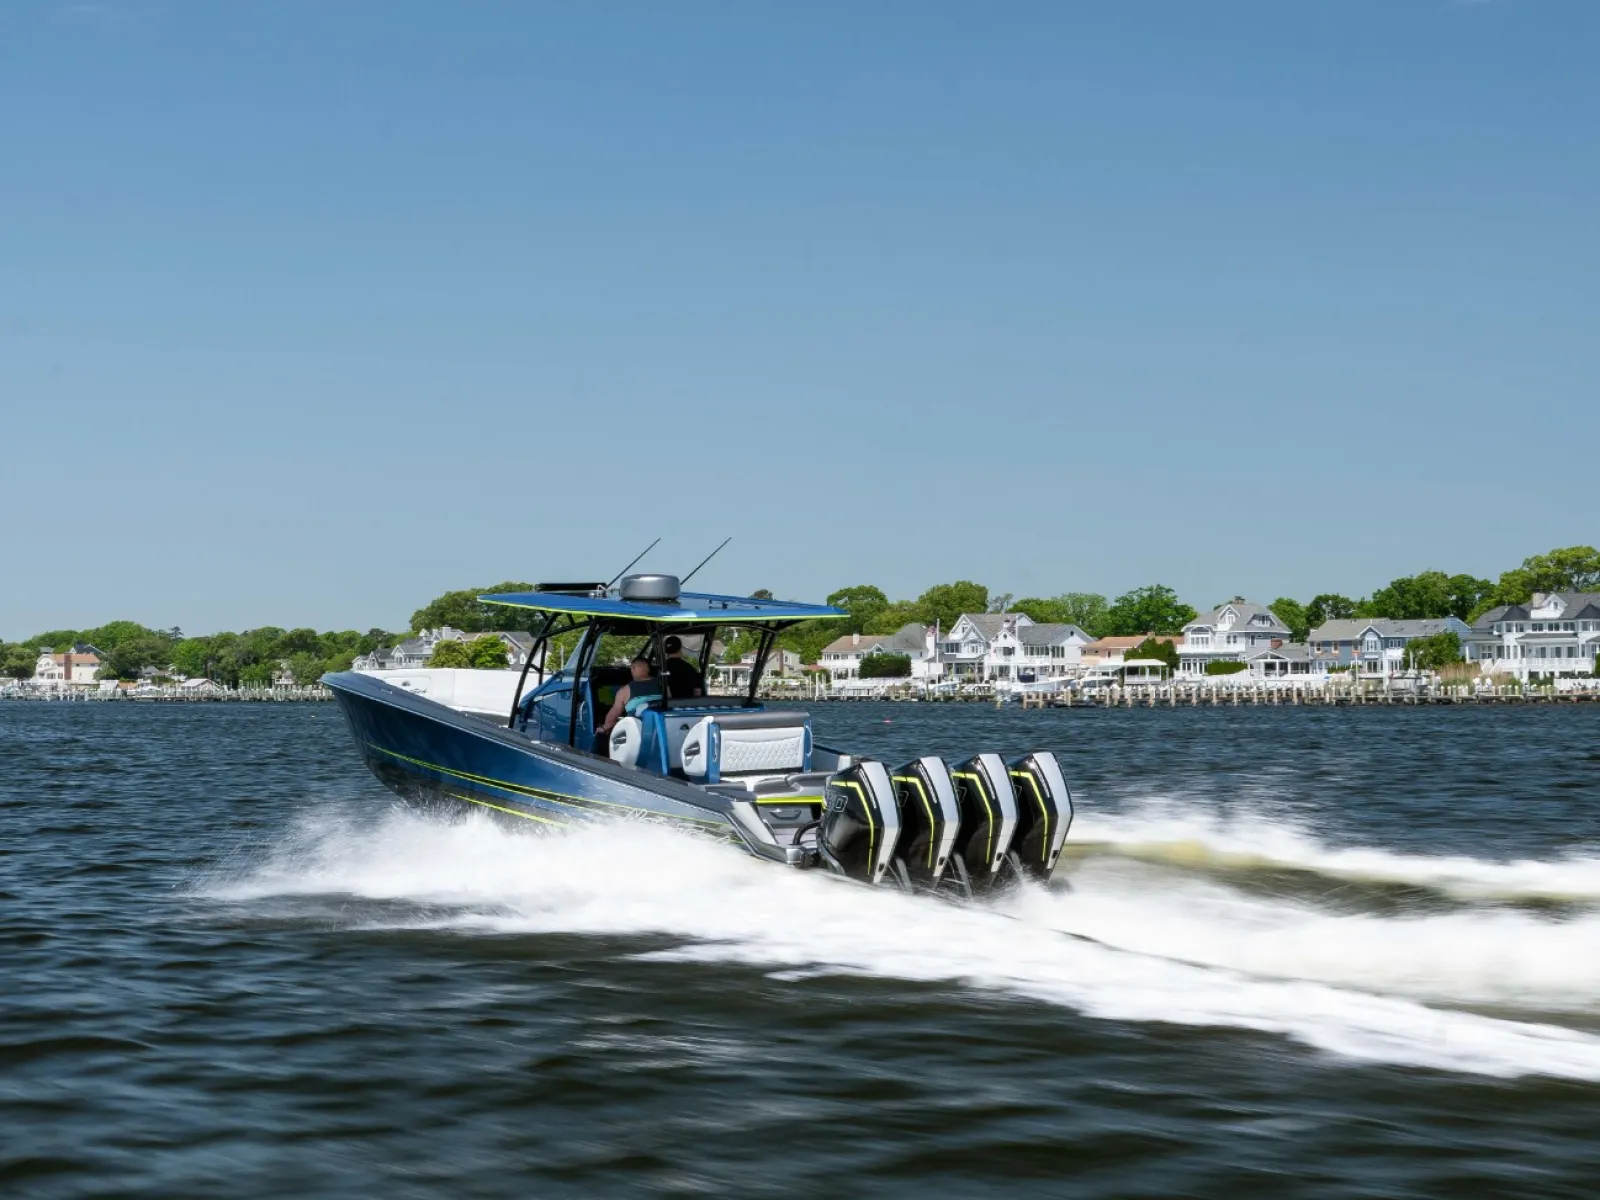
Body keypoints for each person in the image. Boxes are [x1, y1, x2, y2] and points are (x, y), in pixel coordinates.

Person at [600, 657, 662, 738]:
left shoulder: (625, 691)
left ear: (633, 669)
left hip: (637, 733)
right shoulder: (663, 684)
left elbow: (615, 713)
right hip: (661, 728)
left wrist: (604, 728)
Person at [662, 634, 704, 699]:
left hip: (668, 706)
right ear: (680, 648)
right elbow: (697, 693)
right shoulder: (691, 669)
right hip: (687, 706)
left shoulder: (662, 669)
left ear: (665, 650)